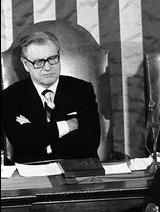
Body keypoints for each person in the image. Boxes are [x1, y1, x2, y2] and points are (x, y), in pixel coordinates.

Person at [1, 31, 100, 164]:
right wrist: (67, 125)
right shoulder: (10, 96)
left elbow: (89, 142)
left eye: (52, 58)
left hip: (78, 169)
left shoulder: (82, 90)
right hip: (32, 173)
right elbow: (22, 142)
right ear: (25, 64)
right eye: (38, 62)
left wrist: (36, 132)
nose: (48, 67)